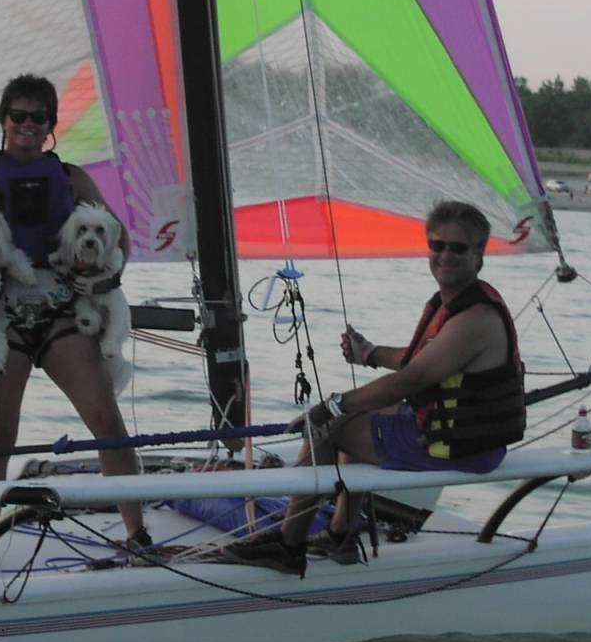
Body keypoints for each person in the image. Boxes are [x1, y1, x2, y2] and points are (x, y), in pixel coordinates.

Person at [224, 200, 525, 575]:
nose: (445, 255)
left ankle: (289, 545)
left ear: (479, 254)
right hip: (457, 435)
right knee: (357, 415)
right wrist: (368, 354)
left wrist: (332, 406)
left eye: (458, 247)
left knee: (328, 429)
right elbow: (421, 361)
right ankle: (341, 535)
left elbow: (409, 381)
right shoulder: (454, 303)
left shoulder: (475, 318)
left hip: (458, 448)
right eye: (437, 245)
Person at [0, 73, 149, 550]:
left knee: (106, 421)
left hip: (61, 314)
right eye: (18, 116)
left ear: (51, 125)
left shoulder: (71, 177)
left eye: (38, 118)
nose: (27, 125)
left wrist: (110, 278)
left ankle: (137, 533)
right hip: (1, 318)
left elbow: (120, 238)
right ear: (3, 121)